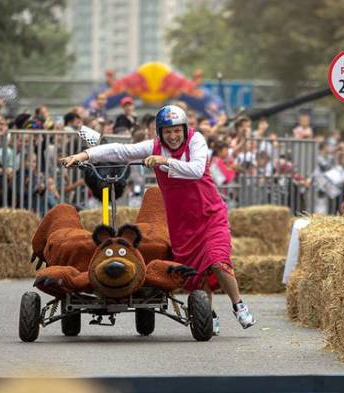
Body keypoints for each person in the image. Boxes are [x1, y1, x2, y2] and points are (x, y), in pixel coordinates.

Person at [60, 105, 256, 333]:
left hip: (210, 215)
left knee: (217, 259)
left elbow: (196, 170)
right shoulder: (153, 146)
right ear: (160, 133)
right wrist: (83, 155)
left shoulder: (196, 141)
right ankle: (207, 315)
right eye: (167, 132)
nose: (173, 136)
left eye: (177, 131)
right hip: (182, 222)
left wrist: (164, 161)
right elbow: (121, 151)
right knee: (196, 276)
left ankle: (238, 305)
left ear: (184, 129)